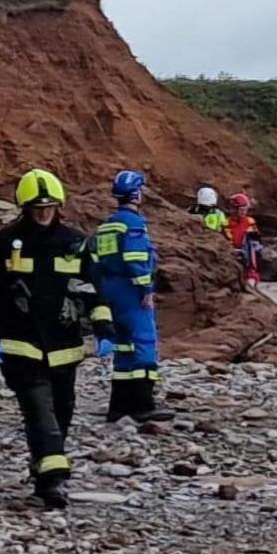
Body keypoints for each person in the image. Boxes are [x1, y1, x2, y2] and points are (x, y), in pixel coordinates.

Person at [0, 168, 115, 509]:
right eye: (36, 208)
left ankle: (42, 470)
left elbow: (94, 289)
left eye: (48, 207)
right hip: (20, 344)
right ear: (24, 208)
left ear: (59, 206)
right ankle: (53, 483)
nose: (43, 213)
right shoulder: (4, 243)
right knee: (38, 411)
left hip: (65, 346)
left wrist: (104, 328)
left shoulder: (74, 243)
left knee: (62, 411)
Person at [90, 170, 172, 423]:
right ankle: (143, 404)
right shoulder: (134, 224)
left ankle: (119, 405)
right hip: (131, 292)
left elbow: (96, 260)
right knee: (144, 345)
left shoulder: (106, 226)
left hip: (110, 290)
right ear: (136, 193)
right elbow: (135, 260)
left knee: (123, 347)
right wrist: (146, 289)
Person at [226, 193, 261, 291]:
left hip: (248, 257)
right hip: (233, 254)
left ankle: (252, 279)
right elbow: (226, 238)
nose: (244, 212)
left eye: (245, 209)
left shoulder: (250, 222)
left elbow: (257, 243)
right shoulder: (226, 223)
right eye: (241, 209)